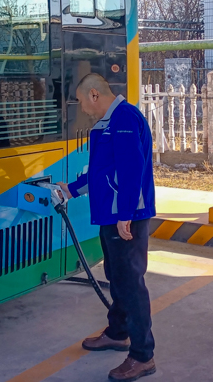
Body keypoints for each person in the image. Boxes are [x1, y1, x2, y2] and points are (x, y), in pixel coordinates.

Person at [58, 73, 157, 382]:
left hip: (124, 216)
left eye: (81, 101)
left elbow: (131, 168)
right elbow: (103, 171)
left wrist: (126, 213)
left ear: (94, 95)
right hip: (111, 214)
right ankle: (117, 333)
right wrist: (71, 189)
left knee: (130, 283)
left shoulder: (124, 118)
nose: (82, 108)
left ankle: (143, 356)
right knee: (117, 277)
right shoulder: (108, 123)